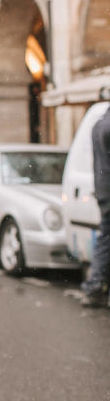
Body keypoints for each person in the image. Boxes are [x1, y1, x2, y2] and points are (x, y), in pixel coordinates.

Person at [81, 103, 110, 307]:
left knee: (106, 238)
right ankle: (95, 285)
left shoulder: (98, 124)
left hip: (103, 190)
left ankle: (95, 286)